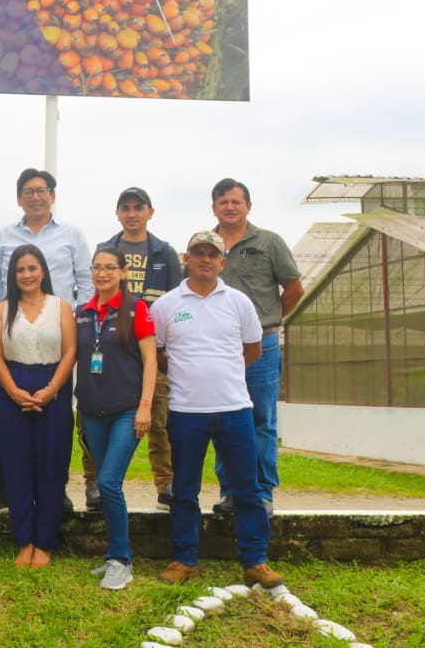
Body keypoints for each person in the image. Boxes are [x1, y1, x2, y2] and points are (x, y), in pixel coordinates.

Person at [150, 230, 284, 589]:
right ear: (187, 260)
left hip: (234, 409)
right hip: (185, 412)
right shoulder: (166, 306)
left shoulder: (239, 302)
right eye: (199, 253)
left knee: (247, 489)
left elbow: (253, 349)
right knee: (184, 490)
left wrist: (225, 373)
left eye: (212, 254)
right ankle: (184, 560)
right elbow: (158, 354)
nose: (205, 259)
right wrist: (189, 373)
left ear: (222, 262)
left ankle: (255, 561)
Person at [0, 168, 91, 511]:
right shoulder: (5, 235)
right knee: (9, 413)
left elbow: (85, 281)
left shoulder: (71, 234)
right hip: (14, 330)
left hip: (56, 334)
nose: (35, 197)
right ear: (19, 199)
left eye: (42, 190)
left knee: (56, 419)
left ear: (52, 196)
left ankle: (56, 489)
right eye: (28, 191)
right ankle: (3, 484)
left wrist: (78, 321)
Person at [210, 178, 304, 517]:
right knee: (223, 419)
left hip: (262, 345)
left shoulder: (269, 242)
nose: (230, 207)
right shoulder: (206, 245)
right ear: (214, 208)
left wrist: (268, 319)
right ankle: (231, 491)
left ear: (248, 206)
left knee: (261, 420)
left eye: (236, 201)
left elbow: (294, 289)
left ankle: (262, 493)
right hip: (220, 348)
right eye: (223, 202)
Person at [0, 244, 77, 568]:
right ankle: (24, 540)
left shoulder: (61, 306)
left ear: (43, 271)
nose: (26, 275)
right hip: (12, 391)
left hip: (54, 391)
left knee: (51, 469)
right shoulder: (2, 309)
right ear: (13, 275)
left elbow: (70, 352)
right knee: (16, 469)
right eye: (20, 270)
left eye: (32, 268)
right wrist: (12, 390)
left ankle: (45, 543)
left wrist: (51, 389)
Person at [75, 247, 157, 590]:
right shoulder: (82, 313)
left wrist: (145, 406)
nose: (102, 273)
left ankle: (122, 560)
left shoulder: (136, 309)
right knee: (107, 485)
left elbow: (151, 360)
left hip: (127, 410)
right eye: (97, 267)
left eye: (110, 267)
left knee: (108, 482)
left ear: (124, 272)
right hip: (92, 412)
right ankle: (113, 554)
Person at [95, 187, 181, 509]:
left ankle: (166, 483)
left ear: (150, 212)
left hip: (152, 348)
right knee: (97, 415)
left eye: (138, 207)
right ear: (117, 213)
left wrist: (167, 348)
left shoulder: (164, 252)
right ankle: (94, 482)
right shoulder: (106, 249)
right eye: (126, 208)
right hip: (111, 347)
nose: (132, 214)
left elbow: (177, 301)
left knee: (158, 420)